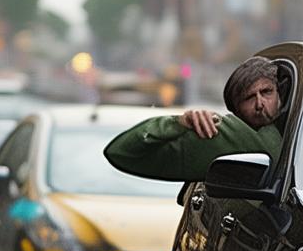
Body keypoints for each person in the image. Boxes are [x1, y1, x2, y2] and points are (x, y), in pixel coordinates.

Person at [104, 56, 284, 181]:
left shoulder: (302, 128)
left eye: (267, 92)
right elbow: (120, 152)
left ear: (280, 94)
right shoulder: (216, 135)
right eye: (249, 98)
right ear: (236, 109)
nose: (260, 103)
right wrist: (177, 123)